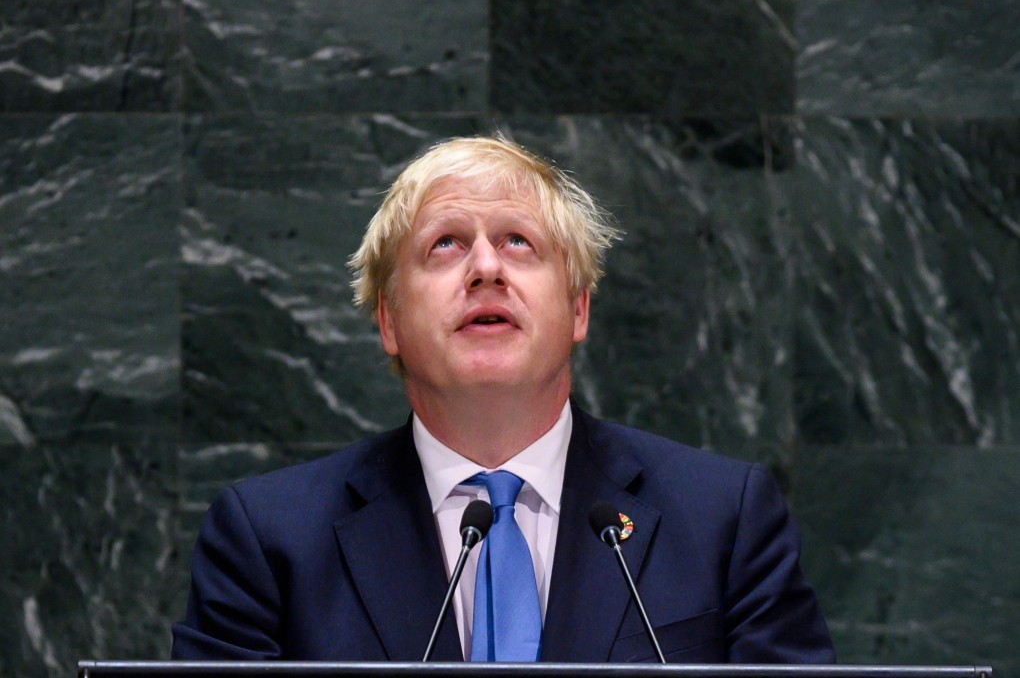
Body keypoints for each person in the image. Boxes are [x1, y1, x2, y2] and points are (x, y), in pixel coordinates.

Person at [171, 136, 835, 663]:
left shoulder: (724, 520)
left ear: (578, 309)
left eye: (519, 242)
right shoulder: (269, 540)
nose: (486, 268)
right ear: (389, 322)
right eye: (445, 245)